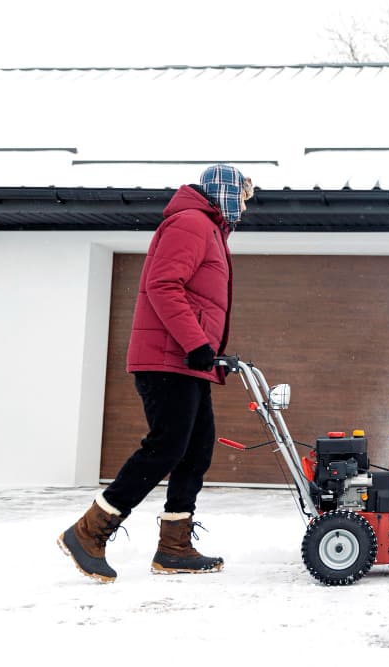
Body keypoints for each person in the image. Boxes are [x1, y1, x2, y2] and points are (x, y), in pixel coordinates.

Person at [58, 164, 253, 583]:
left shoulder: (210, 230)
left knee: (196, 451)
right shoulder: (191, 223)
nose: (244, 207)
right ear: (225, 192)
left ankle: (174, 547)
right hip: (168, 359)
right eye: (242, 197)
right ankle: (89, 531)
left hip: (187, 363)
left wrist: (205, 351)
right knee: (166, 446)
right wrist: (196, 343)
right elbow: (165, 285)